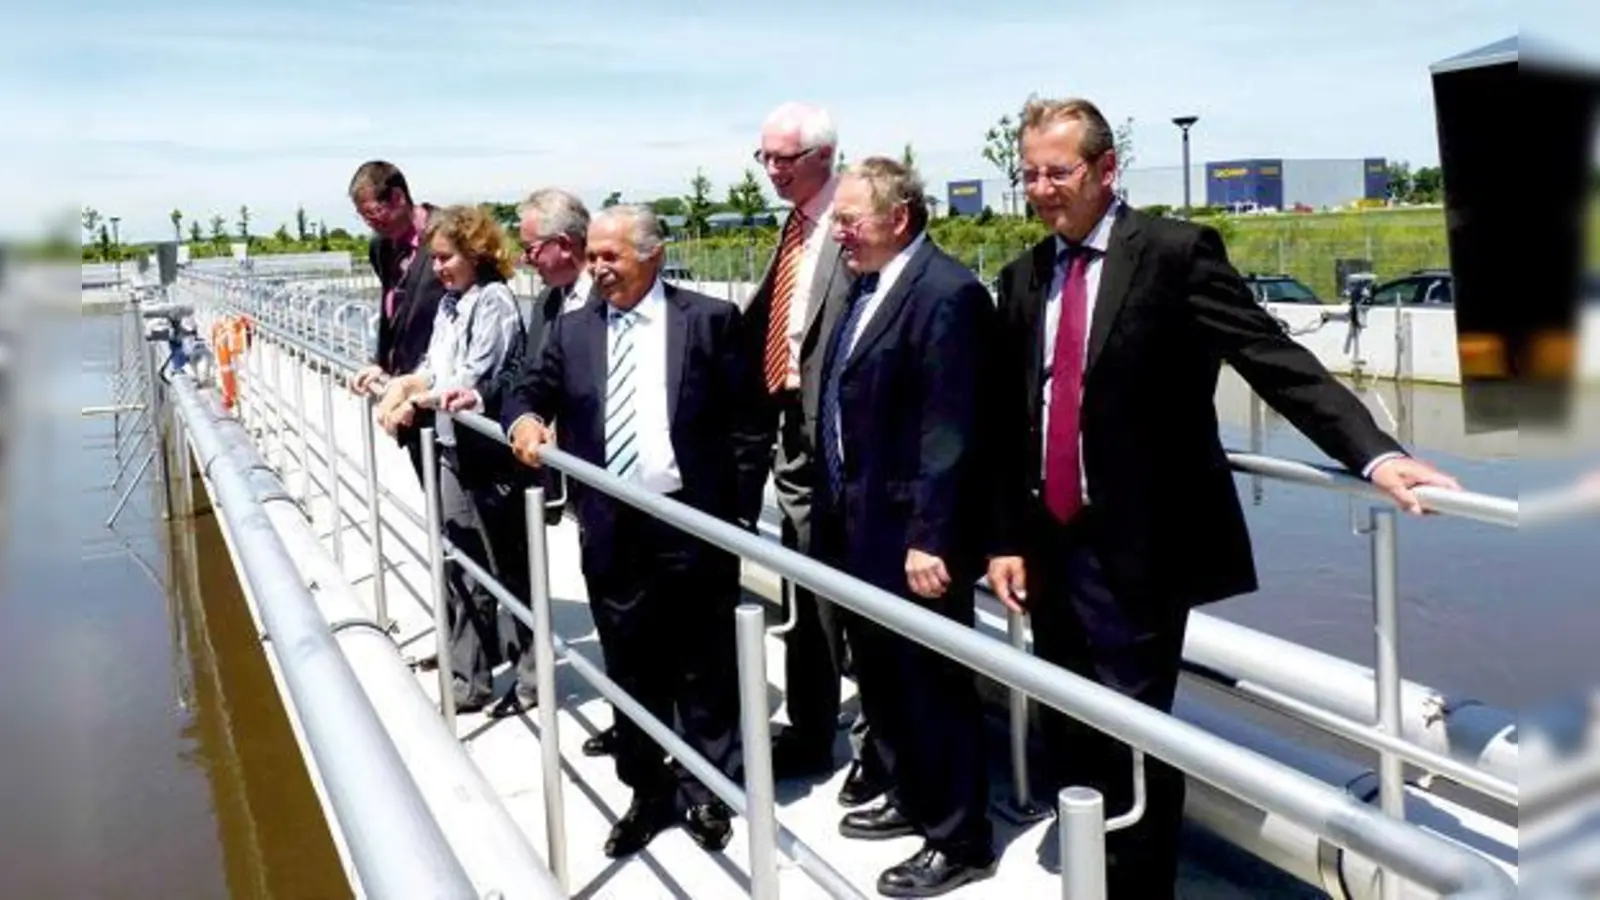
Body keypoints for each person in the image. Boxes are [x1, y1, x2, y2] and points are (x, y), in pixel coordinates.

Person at [984, 96, 1463, 899]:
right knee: (1073, 727)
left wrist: (1374, 454)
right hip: (1049, 545)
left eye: (1057, 172)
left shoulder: (1173, 254)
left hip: (1137, 549)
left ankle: (1139, 889)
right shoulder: (1024, 276)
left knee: (1137, 737)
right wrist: (1002, 538)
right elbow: (1011, 417)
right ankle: (1092, 877)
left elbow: (1270, 358)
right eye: (1028, 173)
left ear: (1105, 169)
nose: (1040, 189)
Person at [497, 205, 768, 859]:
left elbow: (749, 425)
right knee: (630, 663)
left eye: (611, 257)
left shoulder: (708, 321)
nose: (598, 268)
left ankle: (708, 791)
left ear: (651, 254)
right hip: (612, 527)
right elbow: (527, 386)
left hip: (691, 521)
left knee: (705, 665)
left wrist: (733, 516)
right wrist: (525, 419)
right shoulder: (573, 331)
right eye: (593, 256)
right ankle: (647, 792)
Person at [813, 158, 996, 898]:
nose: (838, 230)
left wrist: (933, 534)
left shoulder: (947, 293)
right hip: (857, 522)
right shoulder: (868, 286)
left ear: (900, 218)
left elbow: (951, 429)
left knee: (930, 682)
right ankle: (907, 790)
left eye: (850, 218)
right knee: (882, 676)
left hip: (909, 533)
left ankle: (960, 837)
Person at [741, 101, 886, 803]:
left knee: (860, 590)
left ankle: (875, 748)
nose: (771, 171)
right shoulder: (795, 225)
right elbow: (774, 315)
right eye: (764, 157)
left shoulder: (856, 220)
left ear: (825, 156)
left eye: (783, 159)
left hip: (850, 437)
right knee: (804, 579)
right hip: (791, 426)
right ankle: (810, 727)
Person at [443, 187, 595, 720]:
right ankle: (619, 720)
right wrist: (506, 409)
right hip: (563, 467)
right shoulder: (550, 301)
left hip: (610, 471)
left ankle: (649, 722)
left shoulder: (608, 296)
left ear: (565, 244)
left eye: (533, 247)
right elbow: (529, 379)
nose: (526, 258)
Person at [374, 204, 528, 713]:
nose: (437, 268)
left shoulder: (495, 303)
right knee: (459, 564)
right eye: (434, 259)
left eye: (446, 258)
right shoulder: (449, 305)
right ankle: (468, 681)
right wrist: (398, 387)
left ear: (476, 253)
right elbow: (430, 367)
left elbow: (471, 378)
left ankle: (530, 679)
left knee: (508, 566)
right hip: (447, 446)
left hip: (487, 455)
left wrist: (411, 400)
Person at [347, 160, 446, 483]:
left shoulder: (448, 234)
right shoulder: (381, 247)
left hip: (448, 391)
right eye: (364, 218)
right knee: (433, 495)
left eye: (375, 214)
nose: (372, 226)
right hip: (406, 398)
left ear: (398, 197)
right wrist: (382, 364)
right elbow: (392, 309)